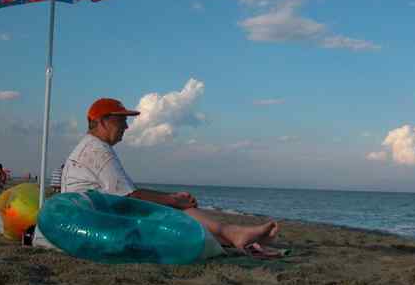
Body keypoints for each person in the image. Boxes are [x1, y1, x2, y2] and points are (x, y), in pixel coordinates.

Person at [57, 97, 280, 253]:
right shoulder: (98, 150)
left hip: (90, 217)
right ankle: (233, 234)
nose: (126, 126)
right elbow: (131, 196)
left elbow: (126, 193)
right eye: (121, 120)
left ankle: (235, 236)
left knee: (172, 206)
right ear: (102, 121)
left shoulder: (89, 147)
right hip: (94, 224)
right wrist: (174, 200)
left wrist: (171, 198)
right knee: (176, 209)